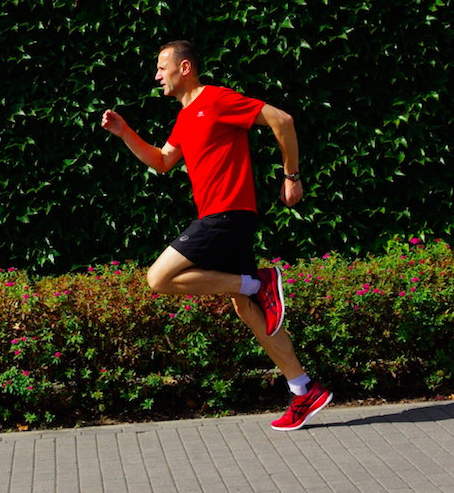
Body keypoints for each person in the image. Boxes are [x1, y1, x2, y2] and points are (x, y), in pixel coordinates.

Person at [100, 40, 331, 431]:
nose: (157, 76)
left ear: (184, 67)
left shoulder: (218, 100)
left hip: (227, 215)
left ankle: (257, 281)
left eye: (162, 67)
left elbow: (283, 120)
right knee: (248, 308)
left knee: (159, 278)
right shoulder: (185, 117)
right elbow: (161, 161)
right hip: (219, 216)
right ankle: (303, 388)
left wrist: (291, 175)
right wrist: (124, 132)